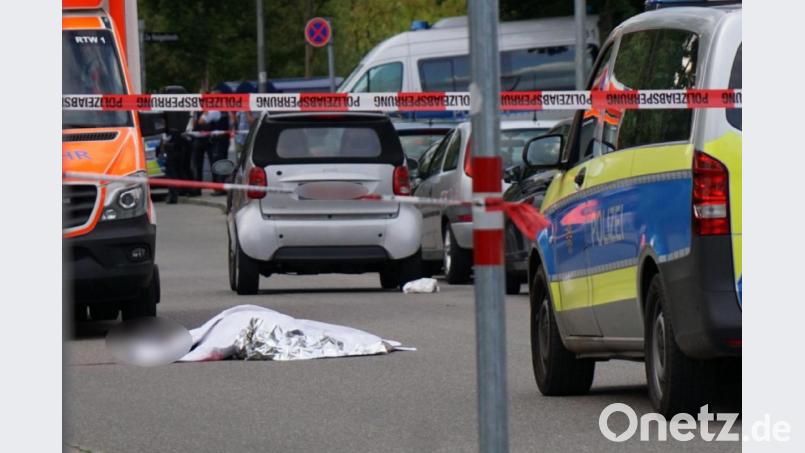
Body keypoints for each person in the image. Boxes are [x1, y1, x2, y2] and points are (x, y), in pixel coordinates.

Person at [191, 91, 230, 195]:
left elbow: (201, 122)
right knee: (205, 164)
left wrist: (204, 112)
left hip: (213, 140)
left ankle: (218, 188)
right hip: (209, 139)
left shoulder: (214, 110)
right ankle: (213, 188)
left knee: (215, 164)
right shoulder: (223, 109)